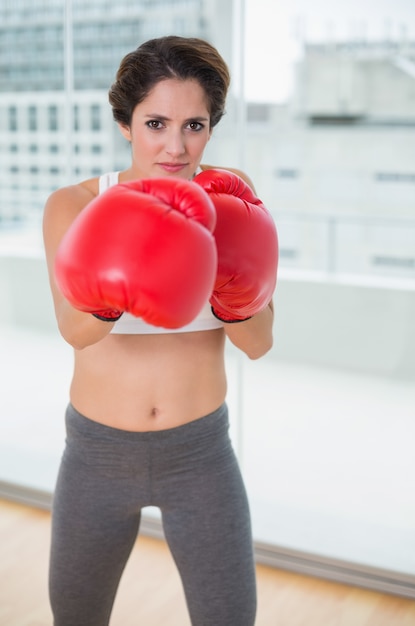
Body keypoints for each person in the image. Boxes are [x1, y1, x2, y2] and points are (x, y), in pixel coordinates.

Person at [43, 35, 278, 626]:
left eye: (194, 125)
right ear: (125, 123)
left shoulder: (229, 196)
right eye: (155, 123)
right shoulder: (75, 204)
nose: (176, 147)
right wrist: (124, 268)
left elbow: (260, 342)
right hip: (97, 455)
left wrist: (231, 287)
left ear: (211, 126)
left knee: (229, 616)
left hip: (200, 454)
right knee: (76, 616)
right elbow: (76, 332)